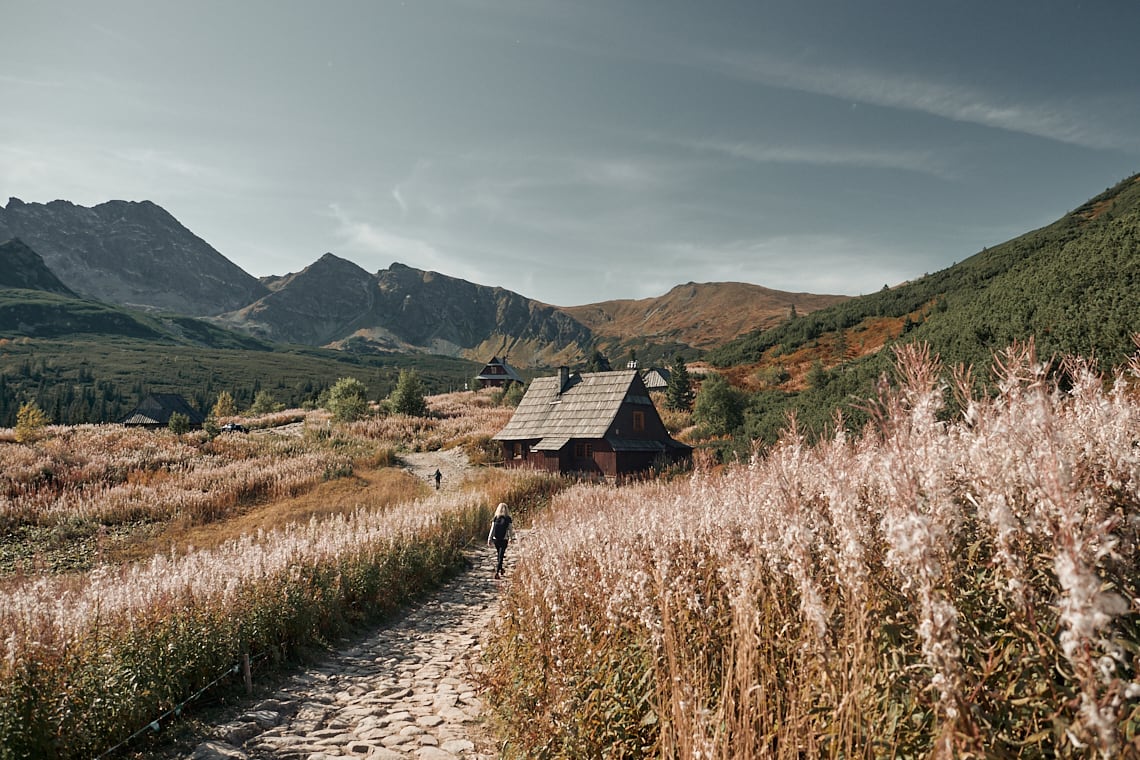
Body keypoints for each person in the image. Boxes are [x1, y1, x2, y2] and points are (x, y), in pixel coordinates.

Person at [486, 502, 515, 579]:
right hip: (504, 539)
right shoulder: (508, 518)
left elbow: (492, 529)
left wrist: (489, 539)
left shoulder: (496, 517)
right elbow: (510, 530)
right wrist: (511, 538)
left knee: (499, 555)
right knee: (501, 556)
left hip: (496, 540)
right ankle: (497, 572)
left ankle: (501, 569)